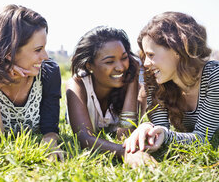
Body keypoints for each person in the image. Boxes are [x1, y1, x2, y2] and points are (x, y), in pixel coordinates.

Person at [124, 12, 219, 154]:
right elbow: (161, 129)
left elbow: (202, 138)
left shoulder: (217, 73)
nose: (146, 63)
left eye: (151, 55)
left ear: (177, 50)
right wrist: (148, 128)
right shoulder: (156, 80)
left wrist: (166, 136)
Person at [0, 4, 63, 161]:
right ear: (9, 52)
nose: (45, 56)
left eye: (45, 48)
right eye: (38, 50)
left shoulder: (49, 73)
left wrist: (50, 142)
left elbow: (49, 128)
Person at [66, 26, 156, 168]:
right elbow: (84, 138)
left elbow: (124, 136)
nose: (120, 67)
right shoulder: (78, 85)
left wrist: (133, 80)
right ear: (90, 65)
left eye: (124, 58)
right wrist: (124, 152)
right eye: (109, 62)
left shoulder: (137, 90)